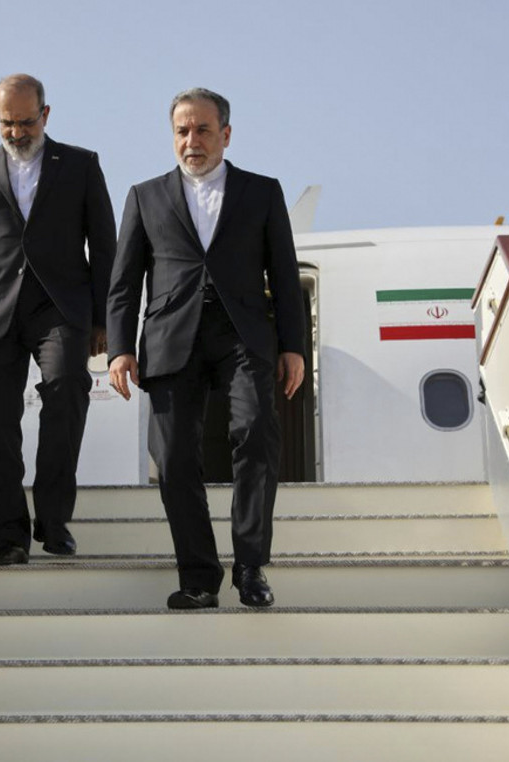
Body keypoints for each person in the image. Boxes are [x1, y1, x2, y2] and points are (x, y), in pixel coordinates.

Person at [107, 87, 306, 608]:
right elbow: (124, 282)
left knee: (256, 432)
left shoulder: (262, 192)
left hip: (243, 333)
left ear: (226, 134)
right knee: (172, 456)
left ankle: (251, 566)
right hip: (171, 337)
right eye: (182, 131)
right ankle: (198, 577)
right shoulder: (144, 196)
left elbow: (285, 275)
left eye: (202, 130)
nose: (191, 140)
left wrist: (293, 345)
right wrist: (120, 348)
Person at [0, 74, 117, 566]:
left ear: (45, 115)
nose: (16, 132)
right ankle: (8, 535)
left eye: (26, 122)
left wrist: (104, 319)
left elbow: (105, 246)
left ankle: (53, 521)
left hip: (60, 308)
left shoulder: (81, 165)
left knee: (66, 389)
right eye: (6, 123)